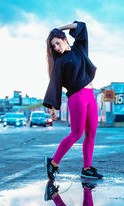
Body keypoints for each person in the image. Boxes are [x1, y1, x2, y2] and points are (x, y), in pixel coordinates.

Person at [43, 21, 103, 180]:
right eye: (53, 46)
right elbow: (54, 84)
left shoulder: (79, 48)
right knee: (77, 133)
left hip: (91, 95)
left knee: (91, 133)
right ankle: (53, 163)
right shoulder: (60, 62)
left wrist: (60, 28)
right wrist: (53, 108)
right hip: (77, 98)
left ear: (64, 39)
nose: (56, 47)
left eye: (57, 42)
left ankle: (87, 168)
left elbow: (82, 27)